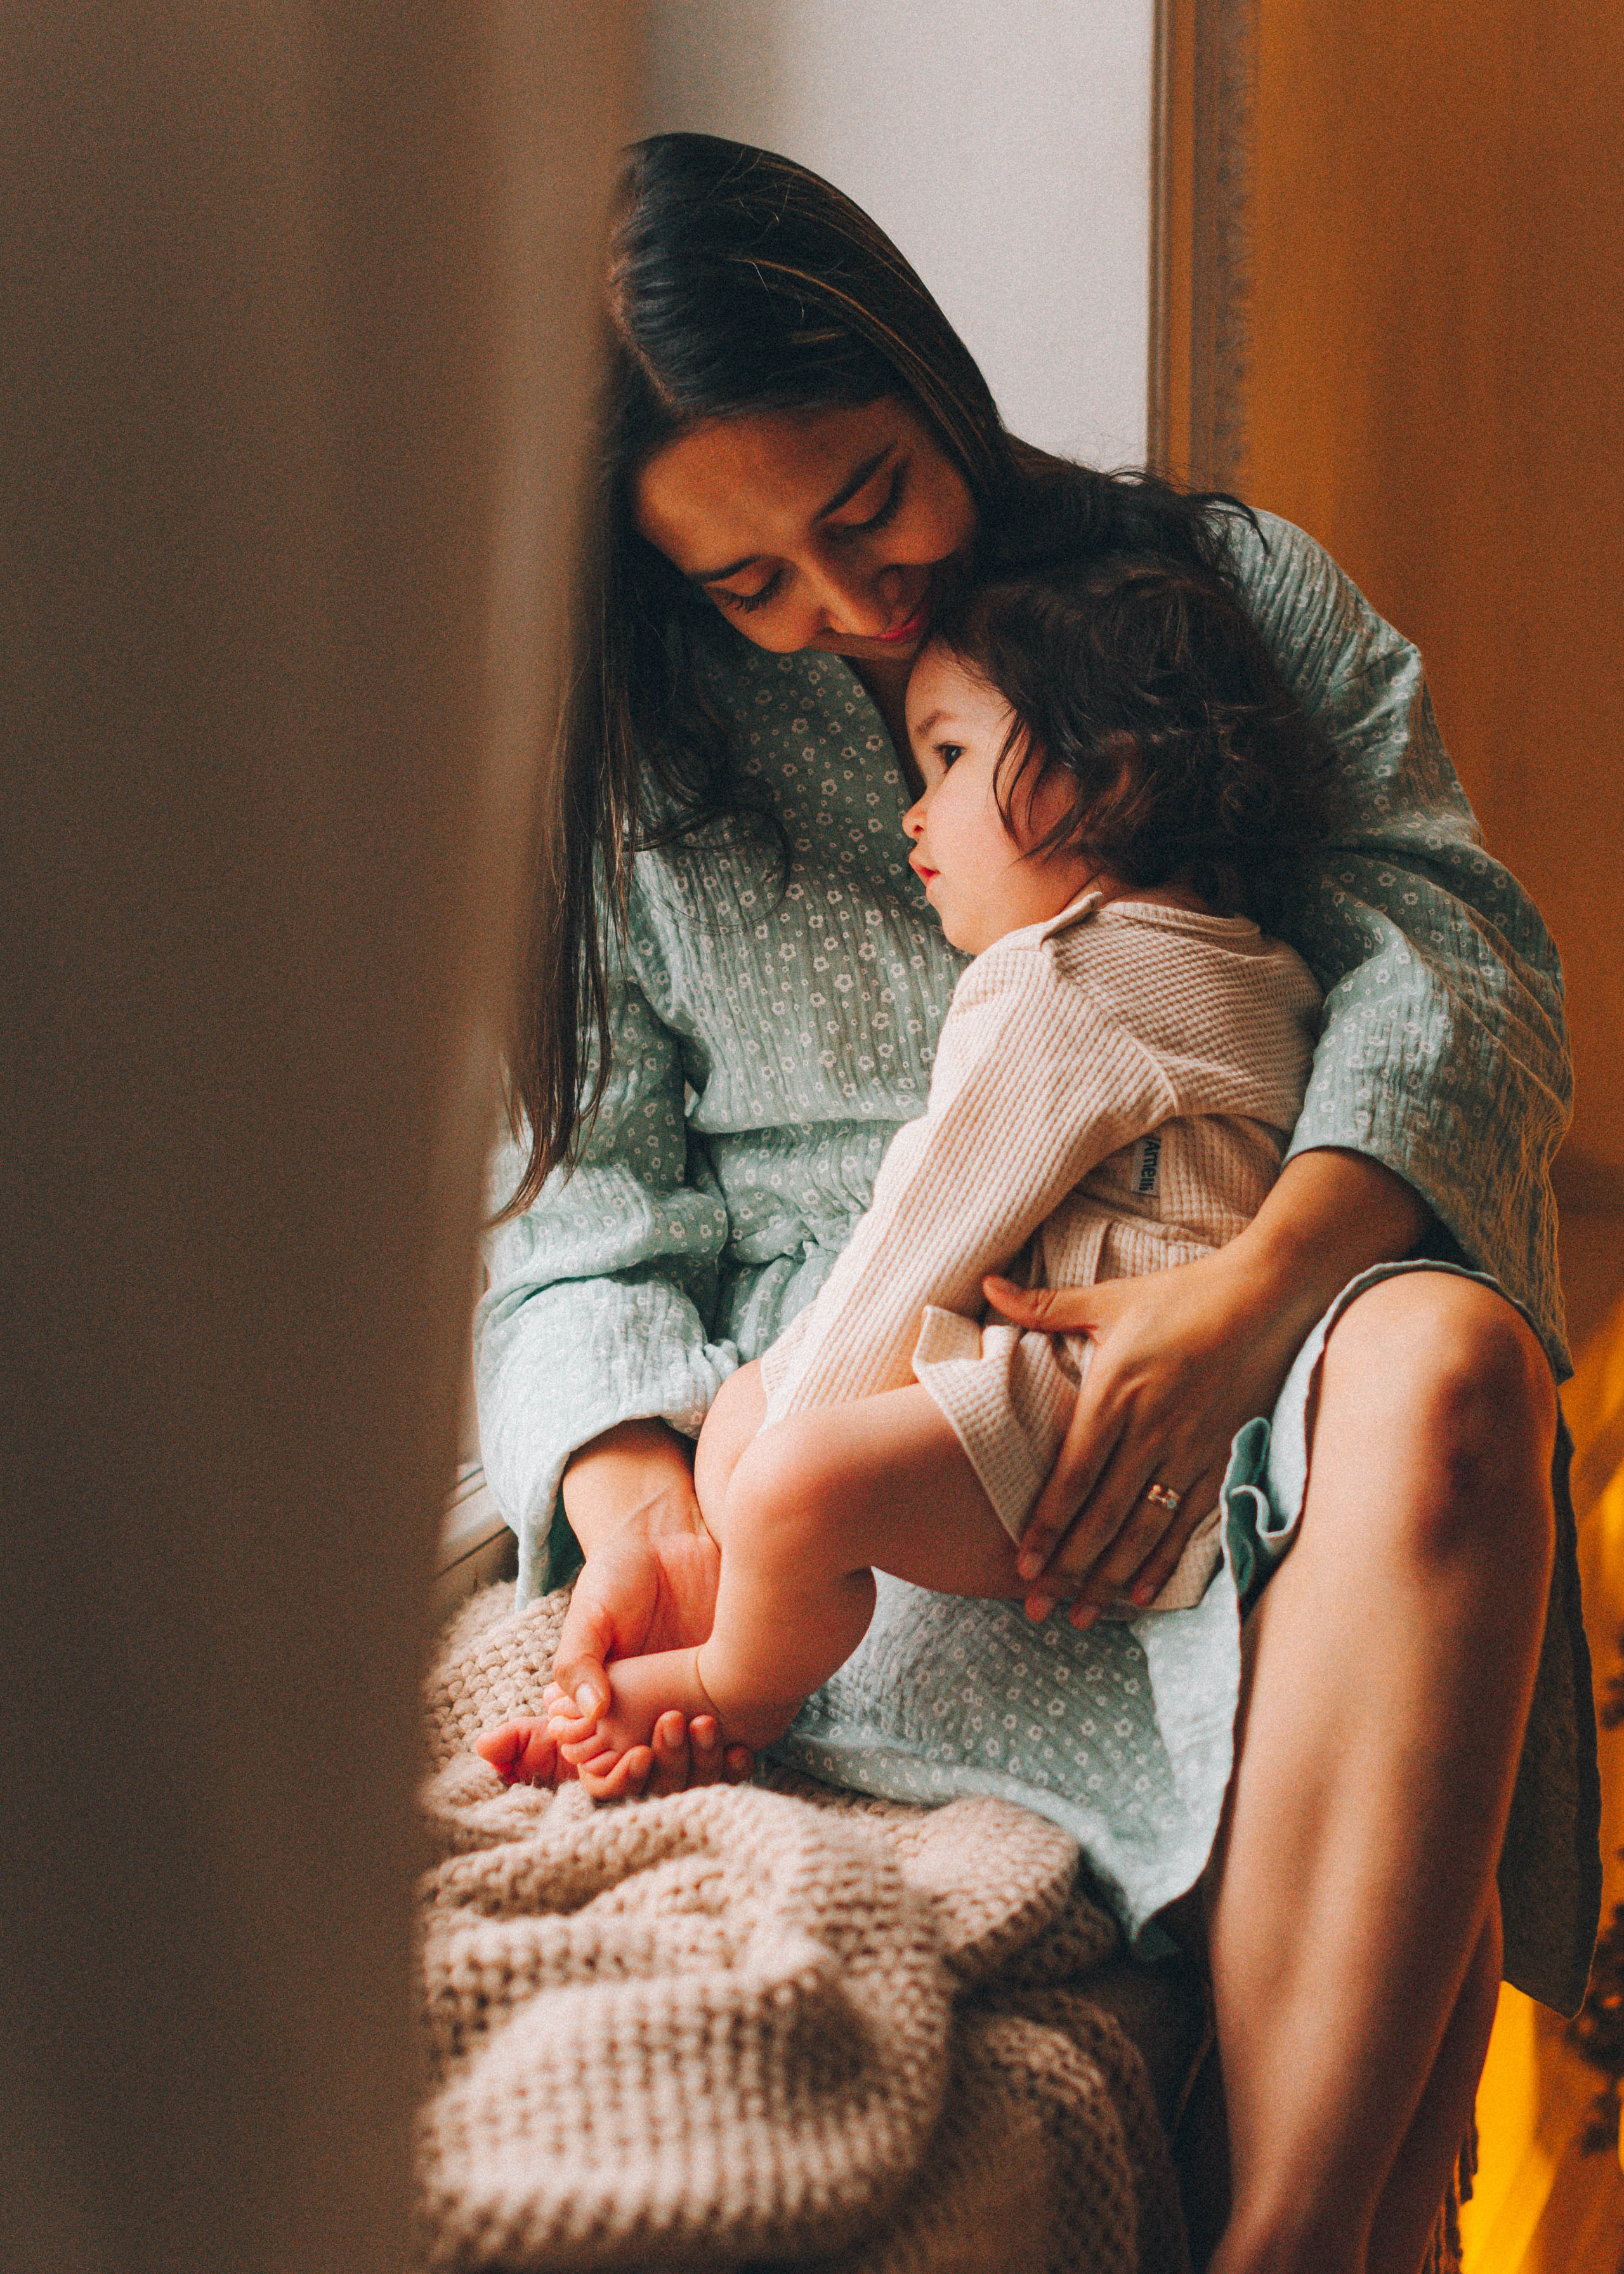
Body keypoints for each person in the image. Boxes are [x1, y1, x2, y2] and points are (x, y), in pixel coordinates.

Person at [475, 133, 1597, 2274]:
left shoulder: (1210, 599)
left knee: (1455, 1360)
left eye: (866, 505)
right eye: (749, 585)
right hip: (874, 1423)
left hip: (1243, 1319)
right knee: (827, 1474)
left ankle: (1283, 2238)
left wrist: (1261, 1297)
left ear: (921, 365)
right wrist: (648, 1503)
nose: (852, 610)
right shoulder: (624, 760)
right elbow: (570, 1188)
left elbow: (1457, 957)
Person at [478, 551, 1330, 1776]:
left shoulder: (1065, 978)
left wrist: (784, 1460)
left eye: (948, 760)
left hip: (1107, 1411)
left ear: (1109, 773)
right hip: (1171, 1394)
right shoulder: (1254, 960)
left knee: (784, 1479)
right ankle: (752, 1577)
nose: (909, 813)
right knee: (750, 1424)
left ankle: (736, 1689)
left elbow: (926, 1227)